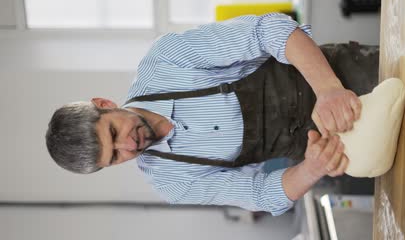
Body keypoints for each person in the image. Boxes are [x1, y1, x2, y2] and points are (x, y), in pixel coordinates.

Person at [46, 13, 378, 216]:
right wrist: (313, 168)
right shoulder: (171, 183)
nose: (128, 148)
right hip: (337, 146)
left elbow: (270, 31)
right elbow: (260, 194)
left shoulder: (165, 61)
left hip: (341, 75)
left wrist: (329, 90)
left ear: (104, 104)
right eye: (115, 157)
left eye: (114, 134)